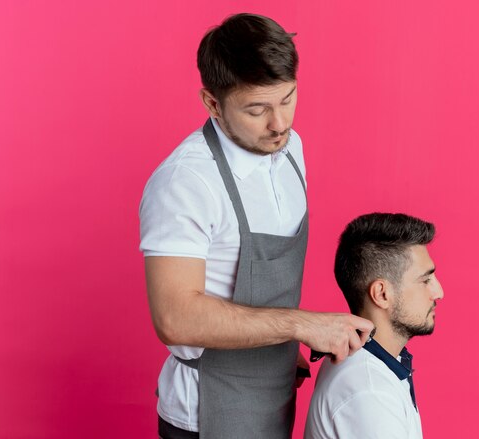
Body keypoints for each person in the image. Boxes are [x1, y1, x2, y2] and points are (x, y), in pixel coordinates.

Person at [139, 13, 374, 439]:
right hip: (205, 416)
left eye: (287, 99)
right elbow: (175, 317)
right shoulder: (185, 183)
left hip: (274, 398)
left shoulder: (289, 149)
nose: (279, 123)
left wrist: (280, 352)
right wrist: (301, 325)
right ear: (212, 103)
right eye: (257, 109)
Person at [304, 213, 444, 439]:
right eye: (425, 280)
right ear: (382, 294)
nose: (439, 292)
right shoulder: (369, 391)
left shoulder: (374, 365)